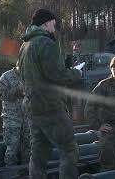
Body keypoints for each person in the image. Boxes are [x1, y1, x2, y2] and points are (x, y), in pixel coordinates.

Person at [17, 9, 82, 179]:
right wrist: (76, 73)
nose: (55, 26)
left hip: (32, 106)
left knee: (39, 150)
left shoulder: (25, 45)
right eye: (53, 23)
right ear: (45, 23)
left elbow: (20, 73)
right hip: (50, 106)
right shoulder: (46, 43)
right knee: (69, 148)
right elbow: (57, 75)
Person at [0, 68, 30, 166]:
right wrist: (17, 90)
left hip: (27, 118)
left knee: (28, 147)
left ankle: (26, 172)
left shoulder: (29, 75)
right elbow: (2, 96)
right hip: (11, 118)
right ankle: (11, 173)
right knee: (12, 148)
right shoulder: (6, 76)